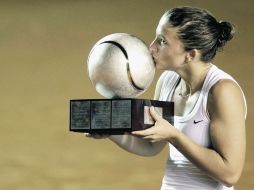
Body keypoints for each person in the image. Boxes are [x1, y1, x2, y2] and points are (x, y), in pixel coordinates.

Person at [86, 6, 247, 190]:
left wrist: (174, 136)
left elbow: (230, 174)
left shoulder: (222, 91)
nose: (151, 47)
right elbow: (151, 146)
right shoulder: (168, 81)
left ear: (190, 55)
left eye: (162, 41)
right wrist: (111, 132)